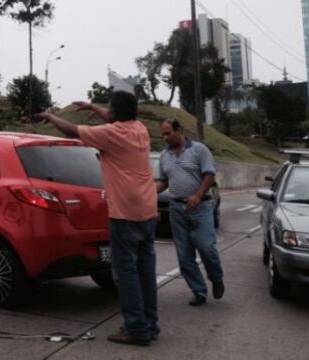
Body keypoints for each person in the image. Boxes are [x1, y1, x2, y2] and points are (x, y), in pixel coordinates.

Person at [36, 91, 159, 346]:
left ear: (115, 114)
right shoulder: (140, 130)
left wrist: (50, 116)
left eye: (109, 110)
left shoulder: (112, 134)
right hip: (147, 210)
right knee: (145, 272)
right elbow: (114, 117)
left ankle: (136, 329)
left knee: (125, 274)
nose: (108, 113)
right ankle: (150, 324)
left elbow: (71, 130)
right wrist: (92, 105)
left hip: (125, 212)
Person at [155, 119, 225, 306]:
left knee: (206, 247)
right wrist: (149, 191)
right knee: (184, 254)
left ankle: (216, 278)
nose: (165, 137)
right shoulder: (164, 156)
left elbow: (209, 175)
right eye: (163, 134)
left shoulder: (199, 150)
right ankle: (198, 291)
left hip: (200, 207)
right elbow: (164, 181)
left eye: (168, 133)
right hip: (176, 209)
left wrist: (197, 196)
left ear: (180, 130)